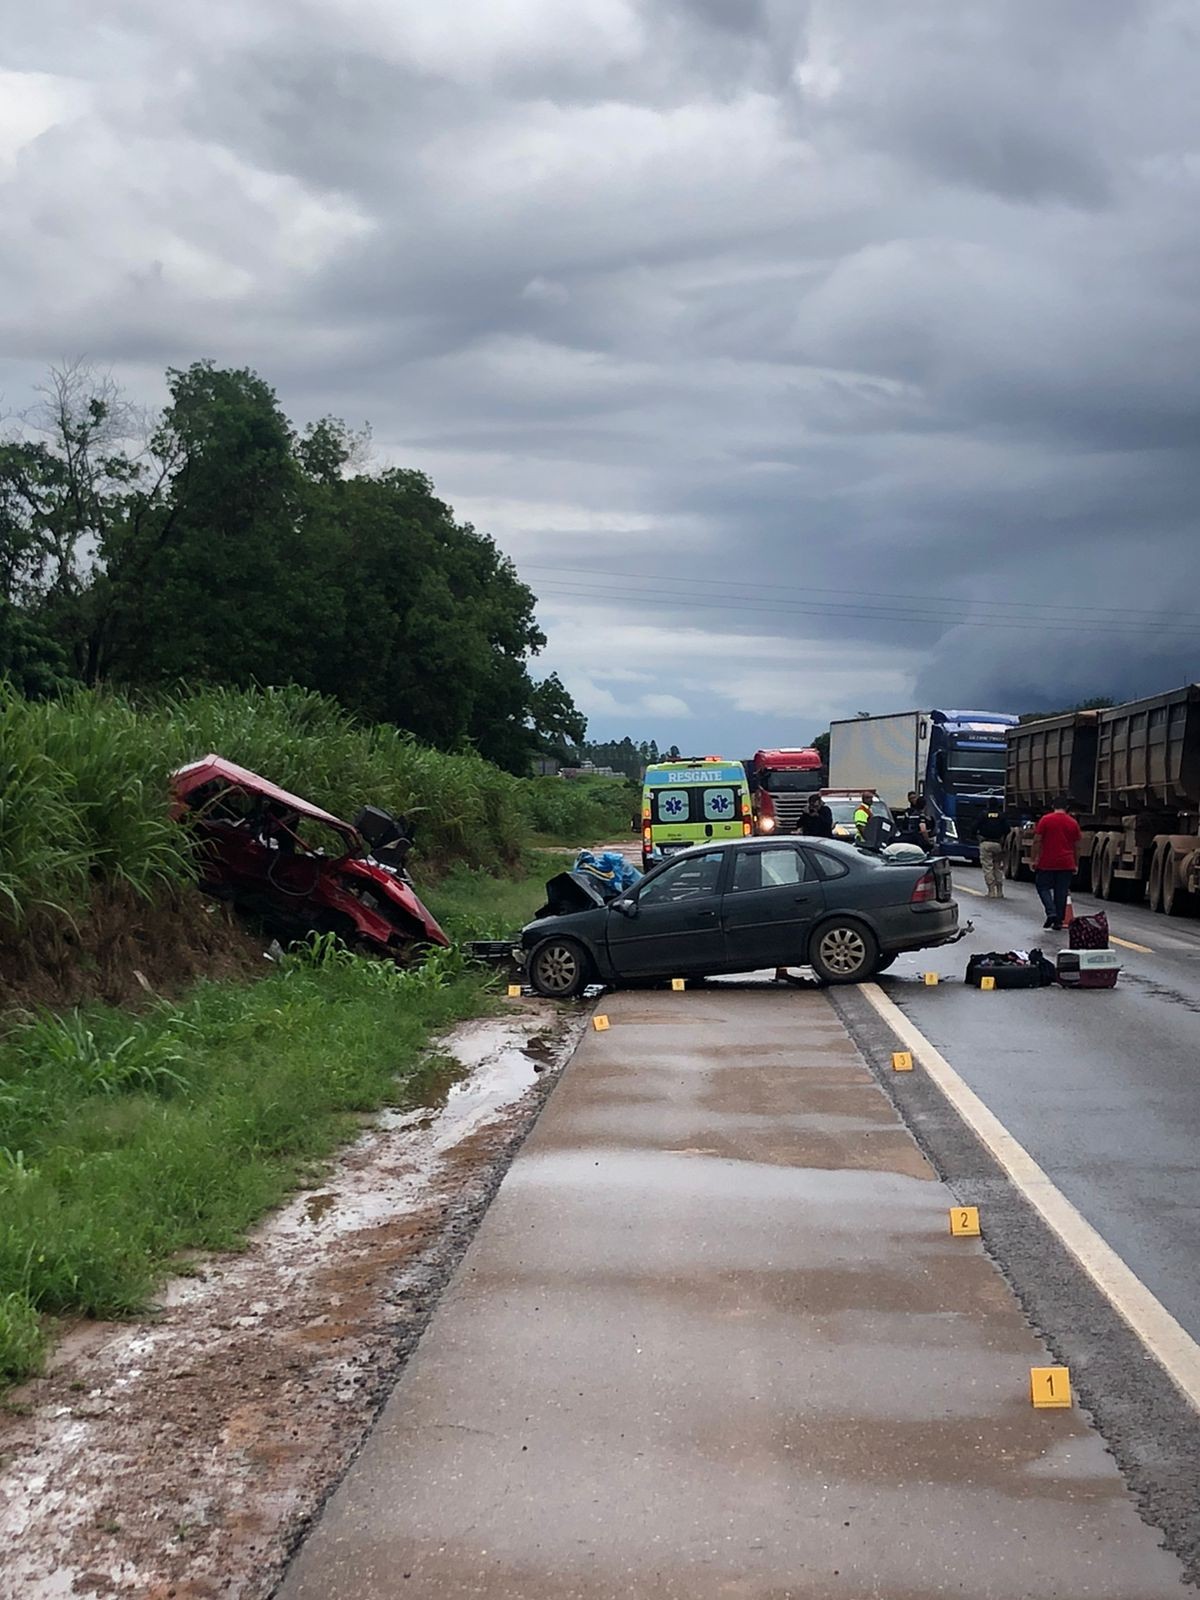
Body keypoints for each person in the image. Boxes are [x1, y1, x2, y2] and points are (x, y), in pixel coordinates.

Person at [1031, 797, 1081, 930]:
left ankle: (1051, 911)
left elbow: (1037, 840)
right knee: (1061, 891)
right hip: (1066, 862)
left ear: (1053, 806)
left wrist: (1034, 859)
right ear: (1067, 808)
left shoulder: (1045, 820)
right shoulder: (1073, 823)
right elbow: (1077, 846)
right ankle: (1059, 920)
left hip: (1047, 861)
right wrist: (1076, 863)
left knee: (1043, 887)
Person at [976, 802, 1010, 899]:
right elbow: (1007, 829)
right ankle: (1000, 891)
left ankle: (991, 891)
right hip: (998, 844)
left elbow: (974, 827)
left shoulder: (983, 815)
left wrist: (977, 836)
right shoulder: (1001, 816)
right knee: (997, 867)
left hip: (985, 843)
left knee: (988, 867)